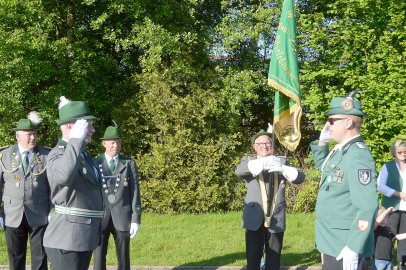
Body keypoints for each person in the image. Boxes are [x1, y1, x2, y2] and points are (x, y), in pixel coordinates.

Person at [310, 92, 379, 270]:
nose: (328, 125)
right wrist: (322, 143)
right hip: (333, 241)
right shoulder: (341, 150)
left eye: (332, 121)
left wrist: (354, 247)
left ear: (348, 123)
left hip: (346, 244)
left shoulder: (358, 155)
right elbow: (325, 171)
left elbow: (367, 206)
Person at [43, 96, 104, 270]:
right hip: (67, 238)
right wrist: (75, 141)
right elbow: (64, 176)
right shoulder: (57, 154)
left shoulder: (83, 155)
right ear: (72, 126)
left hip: (82, 237)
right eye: (88, 125)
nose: (92, 129)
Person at [235, 128, 305, 270]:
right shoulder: (248, 160)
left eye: (268, 143)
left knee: (274, 261)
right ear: (254, 147)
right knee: (253, 260)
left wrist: (282, 168)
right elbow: (239, 171)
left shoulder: (282, 161)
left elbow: (300, 178)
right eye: (260, 144)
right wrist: (263, 163)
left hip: (276, 216)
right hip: (254, 217)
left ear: (272, 145)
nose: (264, 146)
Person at [0, 112, 51, 270]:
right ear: (18, 136)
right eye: (29, 135)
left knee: (40, 258)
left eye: (34, 134)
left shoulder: (46, 155)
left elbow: (54, 185)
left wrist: (53, 210)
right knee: (15, 258)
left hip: (40, 214)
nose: (33, 138)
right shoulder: (4, 155)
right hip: (12, 214)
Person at [93, 123, 141, 270]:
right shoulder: (95, 163)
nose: (116, 145)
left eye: (118, 142)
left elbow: (134, 192)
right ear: (104, 143)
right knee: (99, 257)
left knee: (124, 258)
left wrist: (135, 219)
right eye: (112, 142)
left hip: (122, 215)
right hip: (101, 216)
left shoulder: (128, 163)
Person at [378, 139, 406, 269]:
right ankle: (385, 264)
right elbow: (381, 186)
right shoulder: (387, 166)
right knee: (388, 237)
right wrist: (398, 194)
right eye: (400, 152)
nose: (403, 154)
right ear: (394, 153)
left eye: (405, 151)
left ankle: (402, 265)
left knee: (404, 240)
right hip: (391, 208)